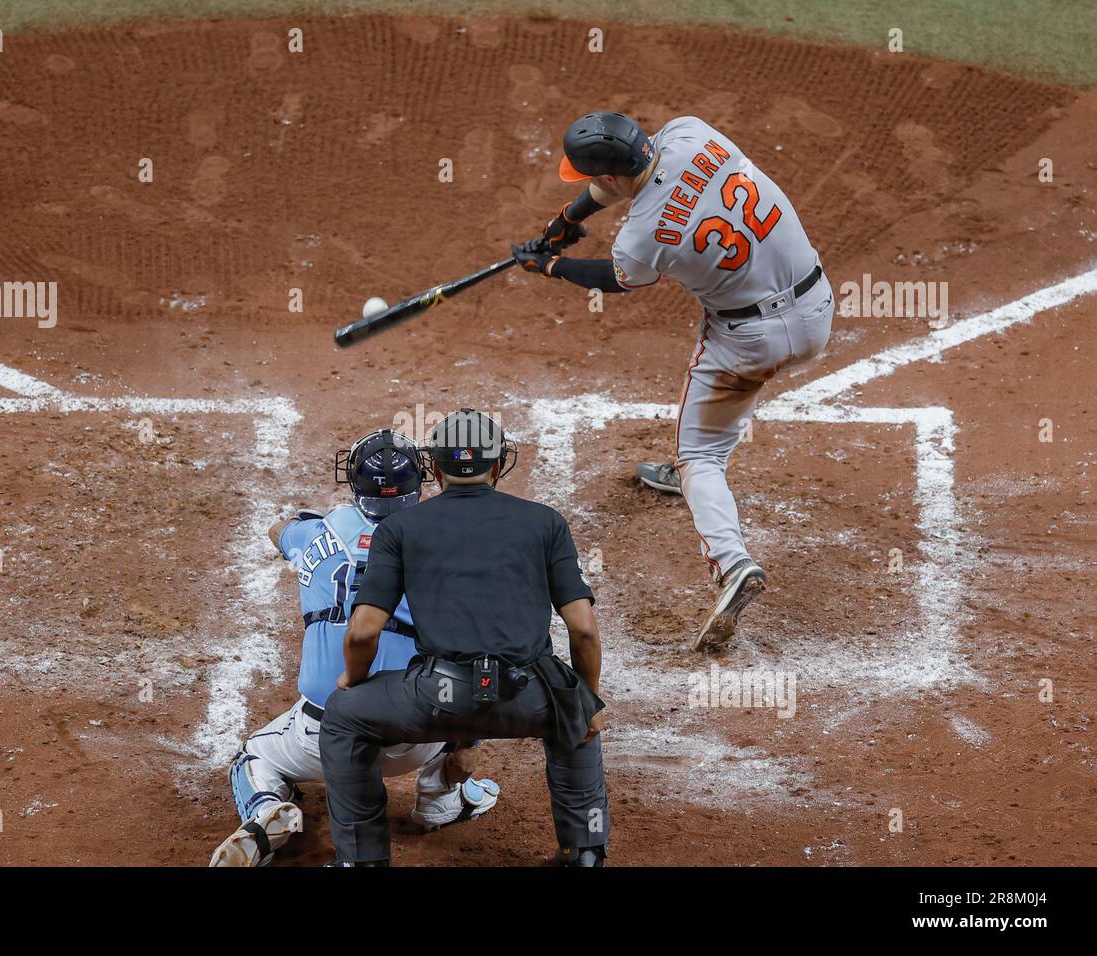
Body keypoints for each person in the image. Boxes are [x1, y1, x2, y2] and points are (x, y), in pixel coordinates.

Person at [512, 111, 835, 650]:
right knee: (716, 423)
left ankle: (732, 563)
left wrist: (551, 266)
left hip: (749, 340)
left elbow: (615, 279)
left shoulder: (641, 239)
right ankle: (693, 473)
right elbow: (633, 178)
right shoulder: (692, 133)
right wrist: (569, 218)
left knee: (701, 455)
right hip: (816, 309)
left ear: (608, 178)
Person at [319, 409, 608, 867]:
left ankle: (363, 860)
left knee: (342, 717)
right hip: (527, 697)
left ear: (434, 469)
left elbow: (363, 632)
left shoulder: (399, 529)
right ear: (497, 465)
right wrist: (588, 701)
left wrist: (351, 681)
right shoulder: (545, 522)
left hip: (439, 697)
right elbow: (584, 630)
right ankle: (585, 852)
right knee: (574, 714)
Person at [209, 429, 499, 867]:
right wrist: (468, 741)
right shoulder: (447, 543)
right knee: (456, 683)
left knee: (254, 755)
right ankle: (440, 797)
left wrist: (318, 528)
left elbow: (277, 530)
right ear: (420, 483)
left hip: (325, 742)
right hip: (416, 735)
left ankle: (267, 807)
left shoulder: (323, 531)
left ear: (354, 485)